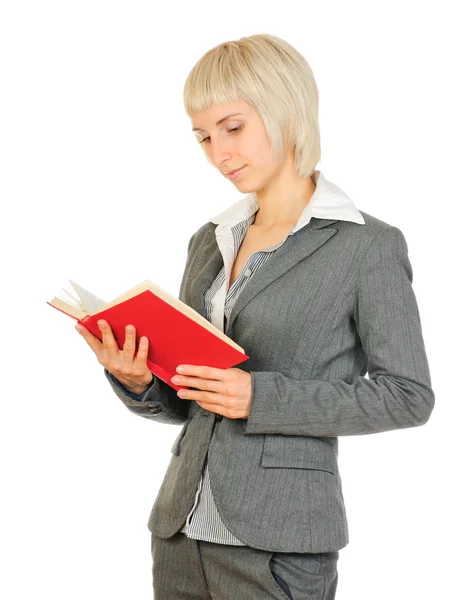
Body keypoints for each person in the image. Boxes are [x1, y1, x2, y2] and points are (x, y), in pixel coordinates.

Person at [75, 33, 435, 599]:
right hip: (179, 532)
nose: (218, 154)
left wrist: (258, 397)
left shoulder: (366, 247)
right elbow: (188, 400)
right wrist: (139, 379)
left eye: (233, 128)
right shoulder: (209, 241)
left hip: (280, 543)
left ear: (285, 109)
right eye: (203, 137)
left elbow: (408, 396)